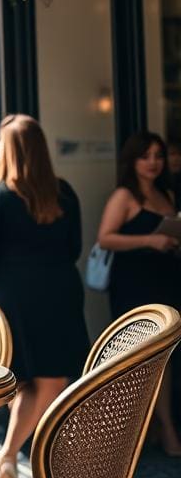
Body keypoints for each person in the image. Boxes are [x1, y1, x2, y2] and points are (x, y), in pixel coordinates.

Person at [0, 114, 89, 478]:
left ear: (9, 150)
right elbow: (74, 248)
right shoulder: (63, 193)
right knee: (50, 381)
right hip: (59, 294)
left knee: (20, 381)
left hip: (12, 298)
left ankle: (8, 455)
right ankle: (15, 456)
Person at [98, 131, 181, 456]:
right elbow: (105, 238)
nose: (153, 162)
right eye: (145, 156)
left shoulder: (167, 194)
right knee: (138, 359)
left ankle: (161, 428)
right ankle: (154, 433)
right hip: (134, 287)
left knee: (166, 358)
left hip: (166, 282)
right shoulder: (124, 196)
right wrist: (150, 240)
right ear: (132, 160)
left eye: (158, 156)